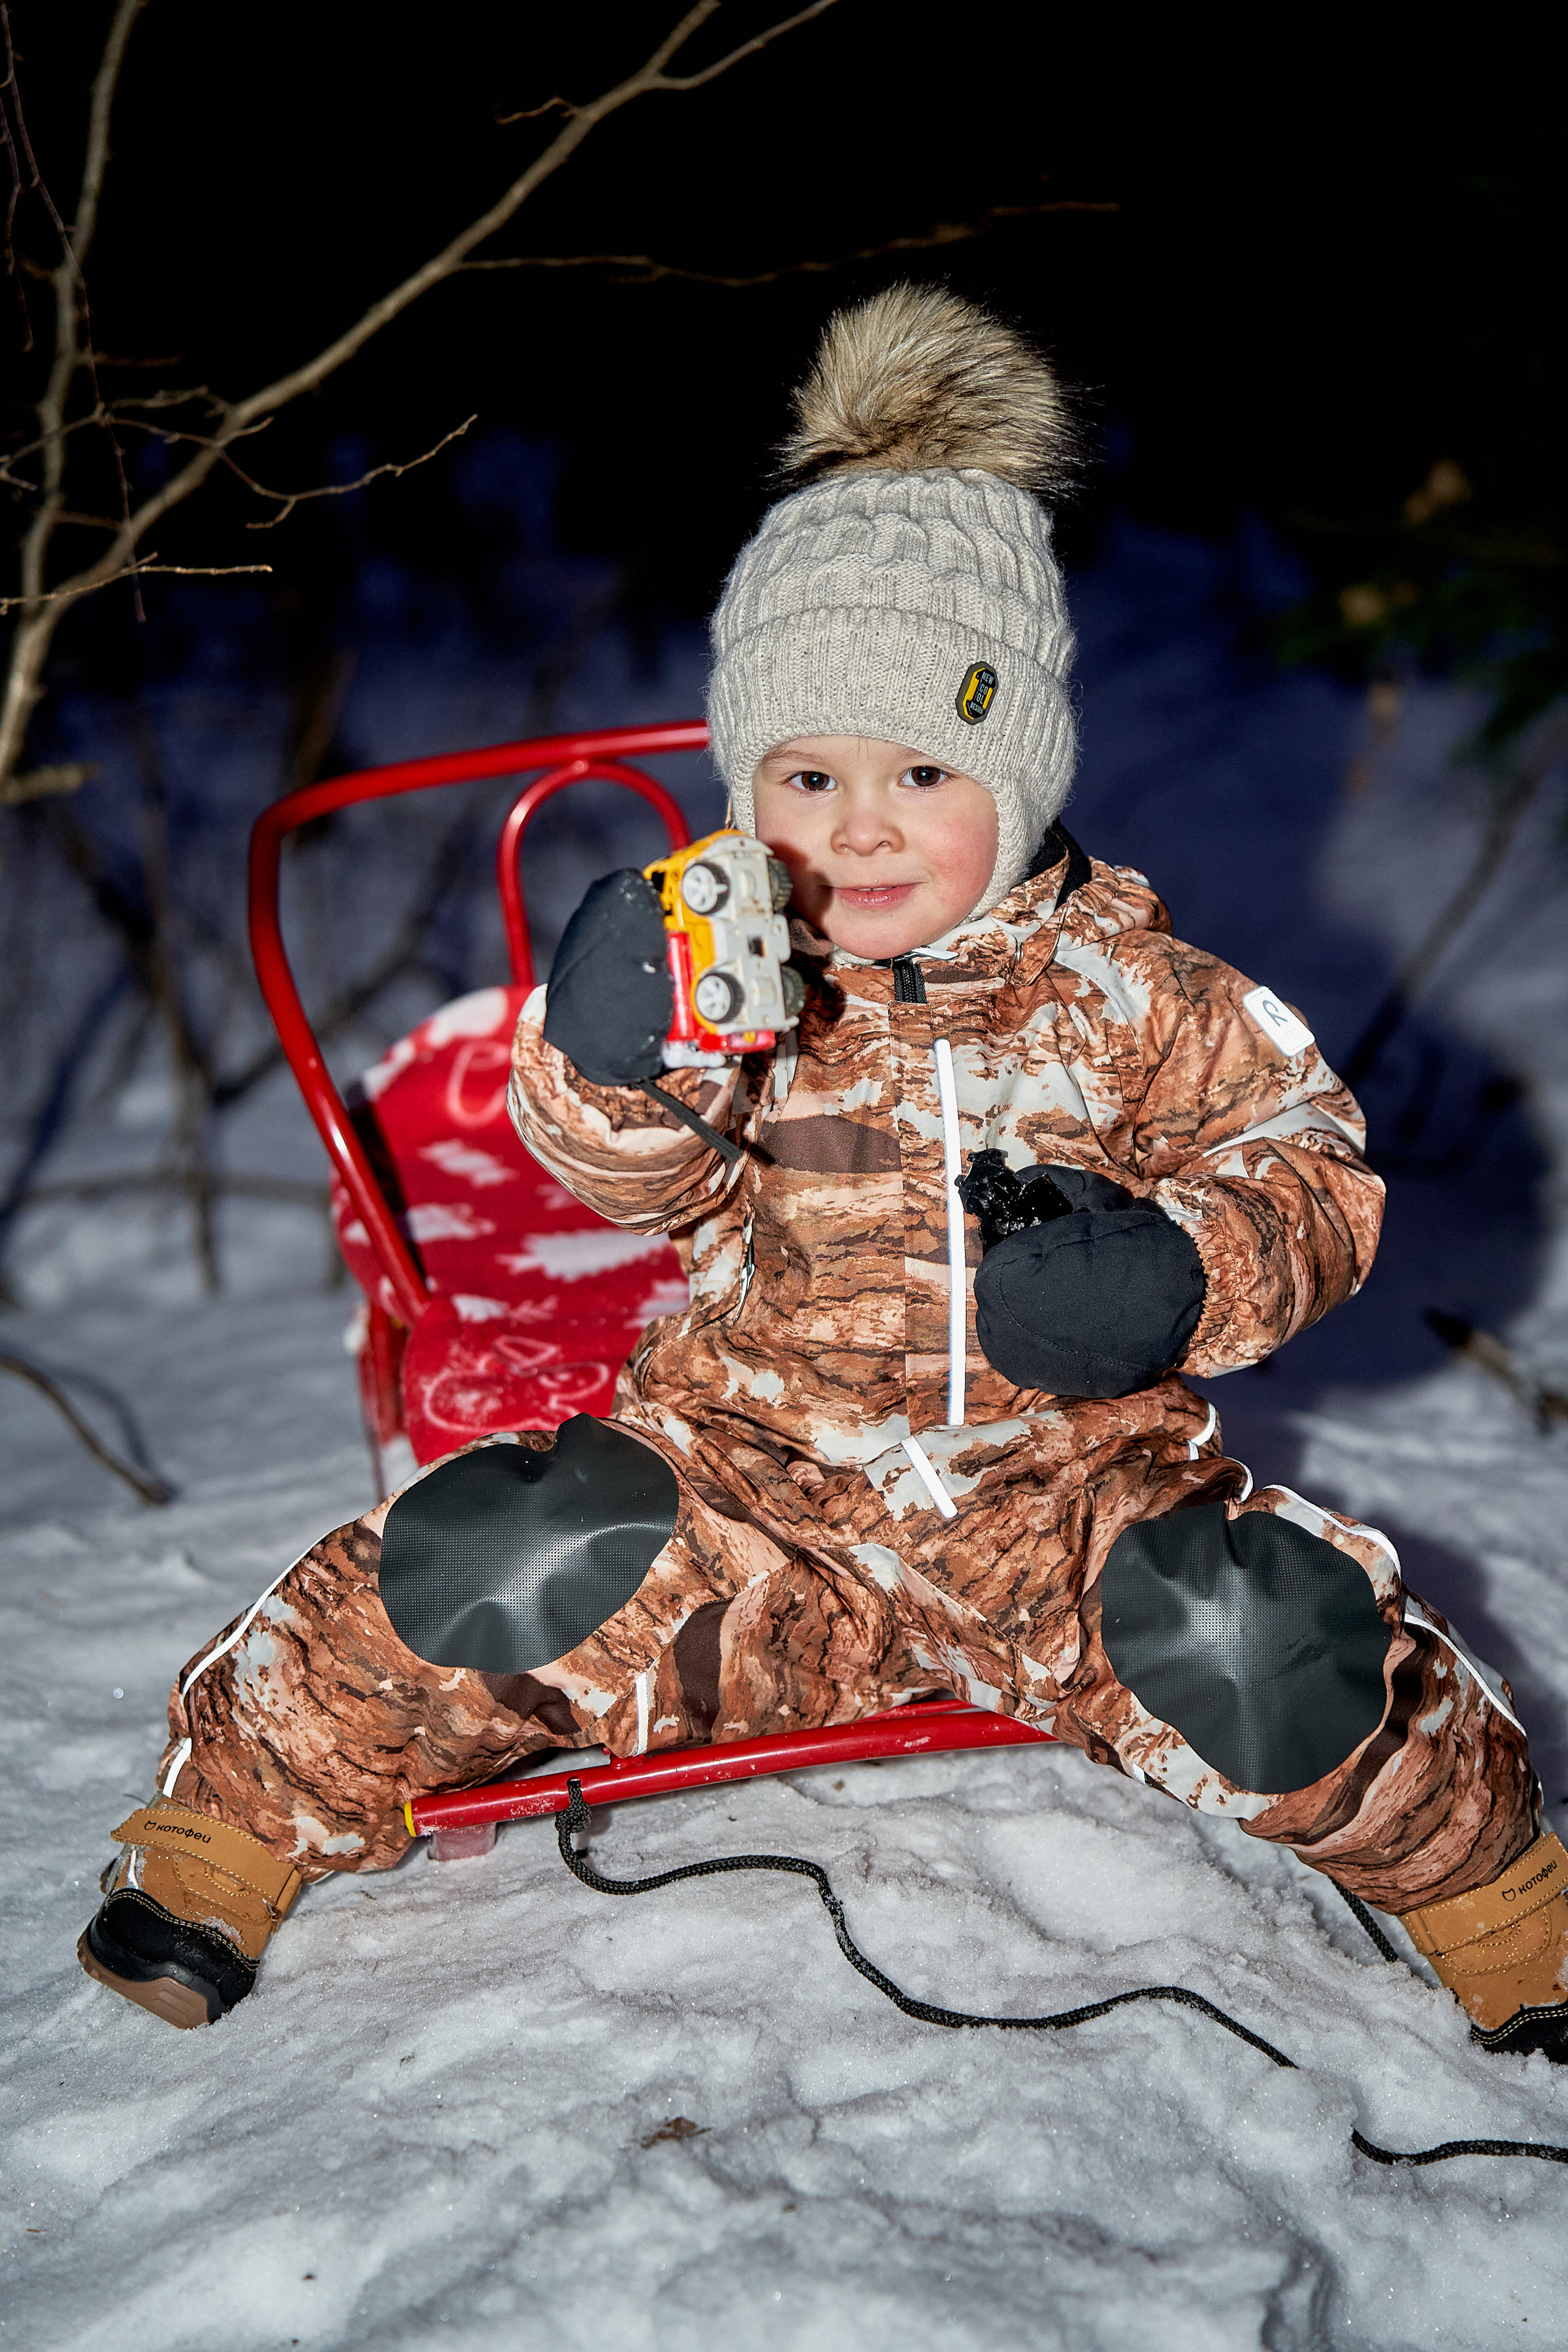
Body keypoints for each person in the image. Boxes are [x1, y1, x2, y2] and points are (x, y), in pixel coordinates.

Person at [79, 286, 1567, 2057]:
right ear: (743, 782)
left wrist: (1185, 1266)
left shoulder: (1150, 998)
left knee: (1270, 1641)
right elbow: (622, 1177)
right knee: (485, 1564)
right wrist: (611, 1050)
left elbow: (1309, 1171)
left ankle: (1502, 1904)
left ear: (1014, 779)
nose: (858, 824)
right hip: (743, 1483)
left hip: (1063, 1502)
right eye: (806, 773)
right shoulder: (740, 980)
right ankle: (225, 1832)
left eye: (923, 768)